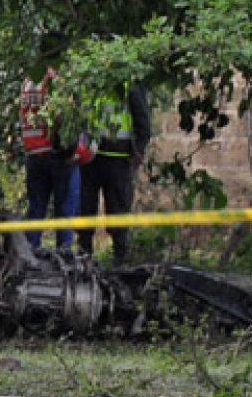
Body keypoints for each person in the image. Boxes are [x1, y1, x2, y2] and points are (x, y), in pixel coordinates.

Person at [78, 84, 152, 265]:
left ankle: (120, 258)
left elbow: (143, 121)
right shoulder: (89, 81)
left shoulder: (128, 85)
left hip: (118, 159)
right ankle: (84, 255)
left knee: (118, 210)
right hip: (90, 158)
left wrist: (138, 150)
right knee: (85, 208)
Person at [19, 69, 90, 250]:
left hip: (33, 154)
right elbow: (61, 116)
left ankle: (31, 258)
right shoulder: (54, 77)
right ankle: (64, 258)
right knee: (65, 210)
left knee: (36, 210)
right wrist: (73, 147)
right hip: (57, 155)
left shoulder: (29, 80)